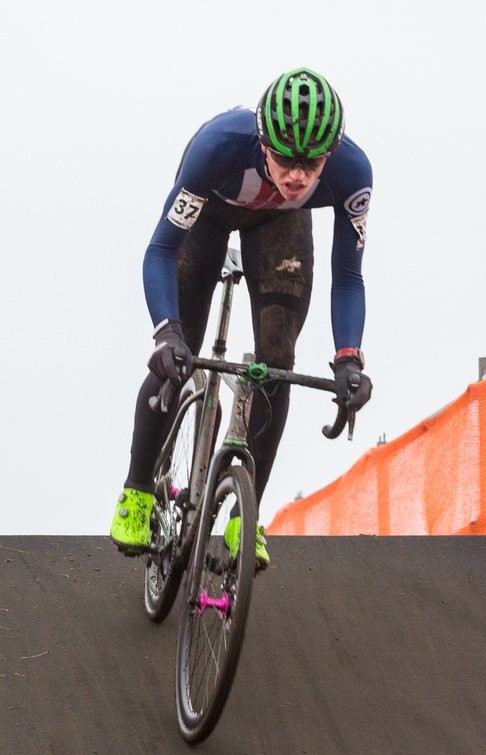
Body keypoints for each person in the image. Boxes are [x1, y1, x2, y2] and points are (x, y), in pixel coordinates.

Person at [109, 67, 373, 569]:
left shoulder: (353, 173)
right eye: (283, 159)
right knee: (174, 355)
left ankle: (243, 520)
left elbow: (349, 276)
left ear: (331, 154)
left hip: (279, 224)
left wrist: (348, 358)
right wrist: (166, 333)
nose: (297, 175)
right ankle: (138, 491)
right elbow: (162, 249)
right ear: (261, 140)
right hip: (209, 214)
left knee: (276, 361)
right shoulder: (218, 147)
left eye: (311, 163)